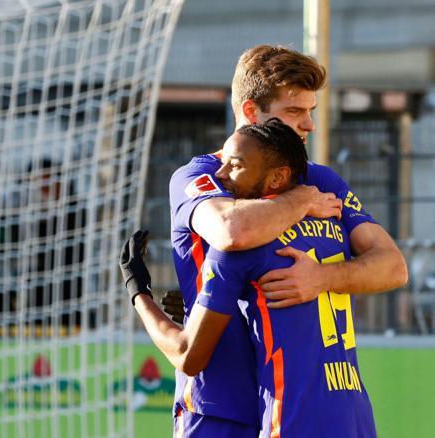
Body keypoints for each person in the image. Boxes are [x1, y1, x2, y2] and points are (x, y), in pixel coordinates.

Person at [162, 45, 406, 434]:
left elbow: (392, 267)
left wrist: (323, 277)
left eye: (311, 110)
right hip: (216, 401)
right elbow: (231, 231)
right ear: (250, 112)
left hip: (292, 397)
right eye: (294, 111)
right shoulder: (201, 176)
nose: (309, 124)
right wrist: (301, 201)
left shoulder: (320, 178)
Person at [122, 119, 379, 437]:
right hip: (356, 417)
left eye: (235, 165)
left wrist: (139, 292)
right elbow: (391, 267)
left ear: (277, 177)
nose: (219, 174)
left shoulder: (241, 243)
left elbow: (188, 355)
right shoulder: (333, 227)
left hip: (291, 419)